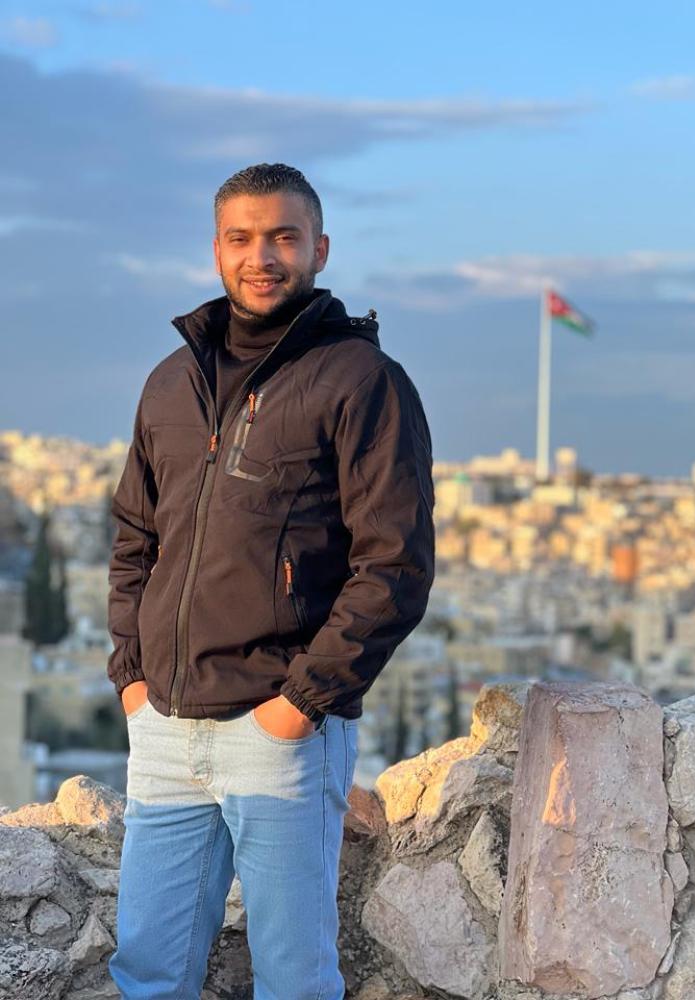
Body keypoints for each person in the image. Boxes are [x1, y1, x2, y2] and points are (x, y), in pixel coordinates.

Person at [106, 162, 436, 1000]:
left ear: (319, 248)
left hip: (279, 733)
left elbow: (393, 566)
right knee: (148, 970)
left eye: (284, 237)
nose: (263, 256)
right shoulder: (169, 382)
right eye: (243, 238)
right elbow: (136, 537)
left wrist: (299, 707)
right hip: (167, 732)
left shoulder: (363, 381)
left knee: (291, 977)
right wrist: (131, 680)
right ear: (217, 249)